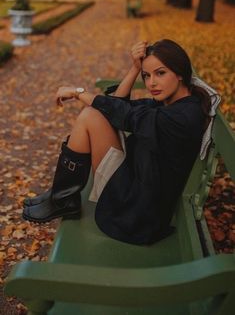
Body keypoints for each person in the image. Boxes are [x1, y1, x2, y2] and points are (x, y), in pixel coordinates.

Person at [23, 39, 217, 245]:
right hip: (137, 176)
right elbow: (118, 106)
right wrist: (134, 68)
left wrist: (78, 93)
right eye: (147, 75)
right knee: (96, 114)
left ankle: (62, 198)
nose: (151, 83)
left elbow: (125, 114)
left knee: (90, 115)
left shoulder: (181, 117)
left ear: (180, 73)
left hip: (135, 211)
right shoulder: (176, 103)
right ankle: (61, 197)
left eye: (160, 73)